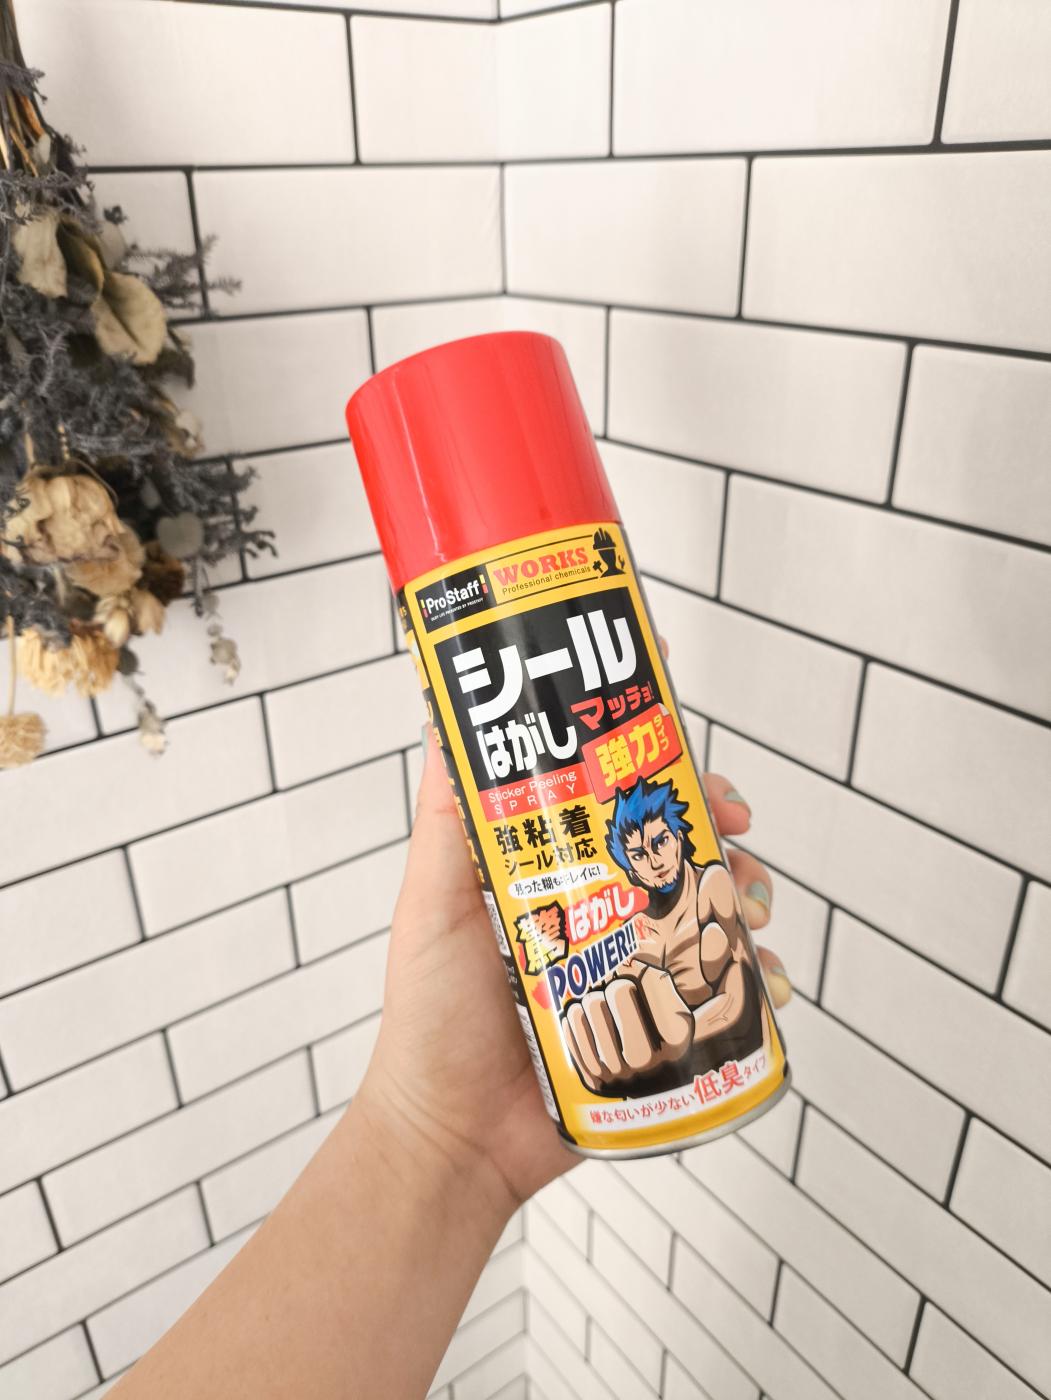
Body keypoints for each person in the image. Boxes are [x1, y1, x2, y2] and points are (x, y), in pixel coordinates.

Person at [110, 639, 791, 1400]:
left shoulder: (698, 896)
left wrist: (441, 1143)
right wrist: (438, 1136)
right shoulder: (643, 935)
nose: (654, 857)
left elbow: (723, 988)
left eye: (661, 839)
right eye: (637, 847)